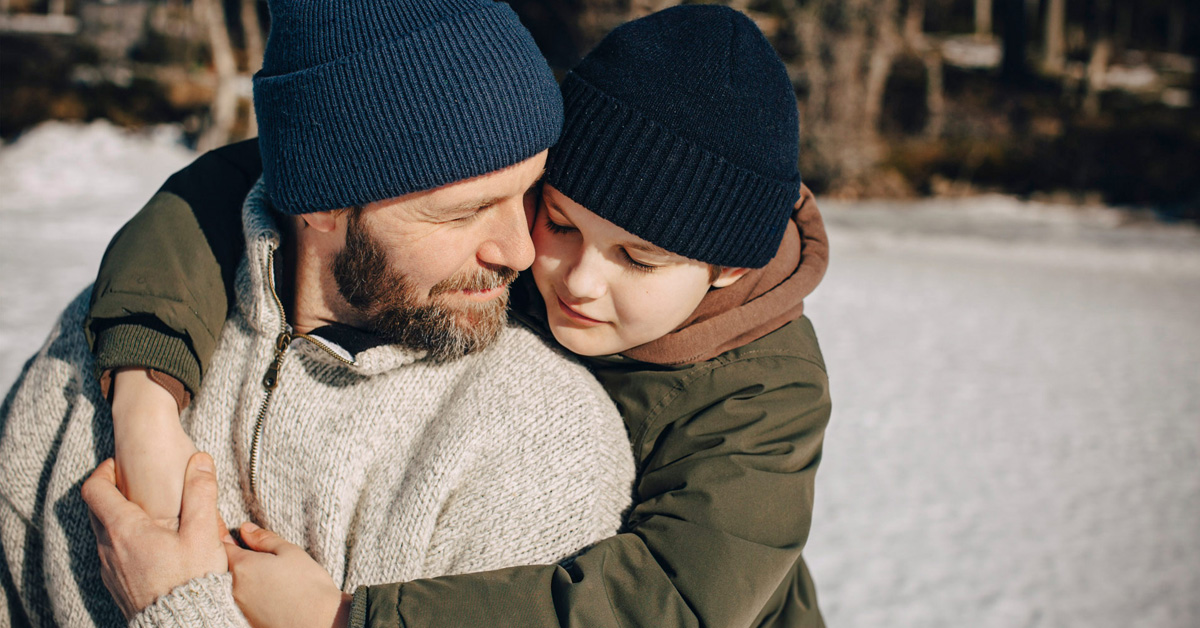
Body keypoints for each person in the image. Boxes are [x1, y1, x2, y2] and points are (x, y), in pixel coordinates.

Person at [82, 5, 834, 628]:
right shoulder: (520, 250)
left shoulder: (766, 395)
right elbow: (242, 182)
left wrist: (345, 618)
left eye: (638, 260)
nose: (577, 279)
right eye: (562, 221)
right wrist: (146, 397)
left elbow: (670, 602)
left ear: (729, 267)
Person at [0, 1, 637, 626]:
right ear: (322, 202)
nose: (520, 252)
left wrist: (178, 606)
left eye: (529, 193)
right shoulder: (108, 346)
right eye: (463, 211)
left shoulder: (544, 439)